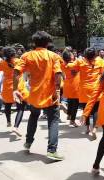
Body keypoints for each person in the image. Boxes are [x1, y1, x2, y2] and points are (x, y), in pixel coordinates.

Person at [13, 31, 64, 161]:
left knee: (33, 116)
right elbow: (58, 74)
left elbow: (16, 72)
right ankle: (52, 150)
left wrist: (15, 89)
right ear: (48, 43)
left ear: (34, 42)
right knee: (53, 121)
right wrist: (57, 91)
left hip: (34, 95)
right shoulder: (53, 56)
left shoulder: (26, 56)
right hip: (50, 95)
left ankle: (28, 143)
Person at [66, 47, 104, 139]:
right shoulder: (101, 61)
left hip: (84, 89)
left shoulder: (81, 61)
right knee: (96, 109)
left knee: (85, 109)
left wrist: (69, 60)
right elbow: (103, 74)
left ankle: (87, 128)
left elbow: (69, 66)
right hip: (96, 88)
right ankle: (95, 129)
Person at [0, 47, 29, 135]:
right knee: (20, 108)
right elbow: (27, 69)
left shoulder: (2, 63)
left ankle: (9, 121)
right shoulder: (19, 61)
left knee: (7, 105)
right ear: (14, 54)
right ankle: (16, 127)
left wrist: (4, 62)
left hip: (7, 88)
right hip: (18, 88)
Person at [61, 49, 80, 127]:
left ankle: (69, 115)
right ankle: (72, 121)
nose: (74, 55)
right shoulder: (75, 64)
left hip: (67, 85)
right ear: (70, 57)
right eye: (72, 54)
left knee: (70, 101)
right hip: (75, 86)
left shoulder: (63, 65)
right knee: (75, 104)